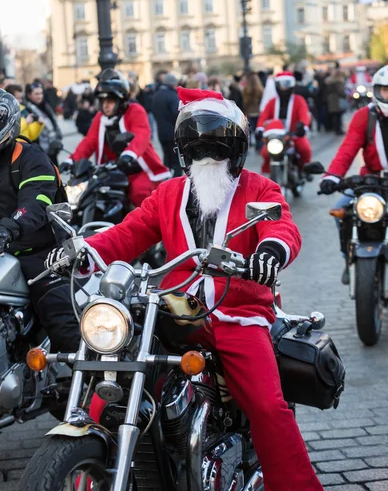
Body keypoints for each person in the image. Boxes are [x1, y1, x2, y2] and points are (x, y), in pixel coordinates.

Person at [46, 87, 322, 490]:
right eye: (196, 147)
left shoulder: (259, 188)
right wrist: (81, 250)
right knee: (110, 381)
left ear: (237, 150)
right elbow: (127, 234)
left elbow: (281, 226)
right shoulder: (168, 194)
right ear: (182, 151)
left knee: (267, 406)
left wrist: (270, 251)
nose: (207, 155)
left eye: (217, 146)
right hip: (176, 310)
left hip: (238, 314)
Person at [0, 89, 79, 352]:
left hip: (40, 254)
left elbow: (35, 204)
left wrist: (8, 228)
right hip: (2, 253)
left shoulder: (32, 159)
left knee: (64, 328)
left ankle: (91, 384)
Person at [319, 63, 388, 282]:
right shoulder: (364, 116)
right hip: (371, 180)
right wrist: (332, 177)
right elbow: (347, 149)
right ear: (377, 90)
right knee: (340, 210)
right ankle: (350, 257)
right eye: (386, 90)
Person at [60, 69, 171, 207]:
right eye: (102, 100)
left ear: (120, 100)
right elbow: (89, 141)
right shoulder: (100, 118)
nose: (105, 105)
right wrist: (71, 160)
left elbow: (142, 135)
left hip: (138, 168)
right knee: (93, 196)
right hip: (111, 169)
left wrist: (129, 154)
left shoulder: (135, 110)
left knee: (139, 192)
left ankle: (148, 226)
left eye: (110, 100)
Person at [257, 72, 312, 173]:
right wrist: (260, 128)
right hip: (276, 137)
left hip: (293, 135)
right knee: (265, 152)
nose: (284, 88)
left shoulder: (299, 100)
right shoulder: (272, 102)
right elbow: (263, 116)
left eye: (287, 84)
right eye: (281, 85)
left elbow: (304, 115)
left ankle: (305, 170)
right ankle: (268, 177)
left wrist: (302, 127)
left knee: (305, 149)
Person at [151, 73, 182, 177]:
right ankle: (175, 184)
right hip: (172, 132)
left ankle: (164, 179)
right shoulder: (172, 95)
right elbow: (177, 114)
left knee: (167, 159)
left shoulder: (156, 94)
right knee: (177, 162)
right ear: (173, 84)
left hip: (161, 132)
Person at [25, 82, 63, 164]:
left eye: (41, 93)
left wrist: (58, 138)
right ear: (29, 95)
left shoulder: (45, 106)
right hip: (41, 151)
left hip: (53, 147)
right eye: (36, 94)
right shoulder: (28, 110)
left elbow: (54, 123)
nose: (40, 96)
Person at [325, 67, 347, 135]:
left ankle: (336, 129)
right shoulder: (339, 82)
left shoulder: (329, 81)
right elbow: (341, 91)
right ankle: (339, 130)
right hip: (337, 100)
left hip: (331, 100)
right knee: (339, 116)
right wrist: (345, 95)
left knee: (335, 116)